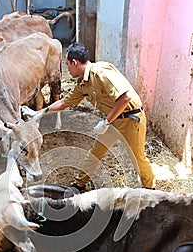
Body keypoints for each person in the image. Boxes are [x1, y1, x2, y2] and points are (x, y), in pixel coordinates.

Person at [45, 42, 155, 191]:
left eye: (67, 65)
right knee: (95, 153)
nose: (67, 69)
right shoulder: (83, 84)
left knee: (138, 159)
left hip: (130, 120)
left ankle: (150, 191)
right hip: (112, 121)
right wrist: (39, 113)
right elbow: (64, 103)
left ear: (74, 62)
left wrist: (106, 122)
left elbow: (125, 98)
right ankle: (79, 185)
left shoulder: (101, 72)